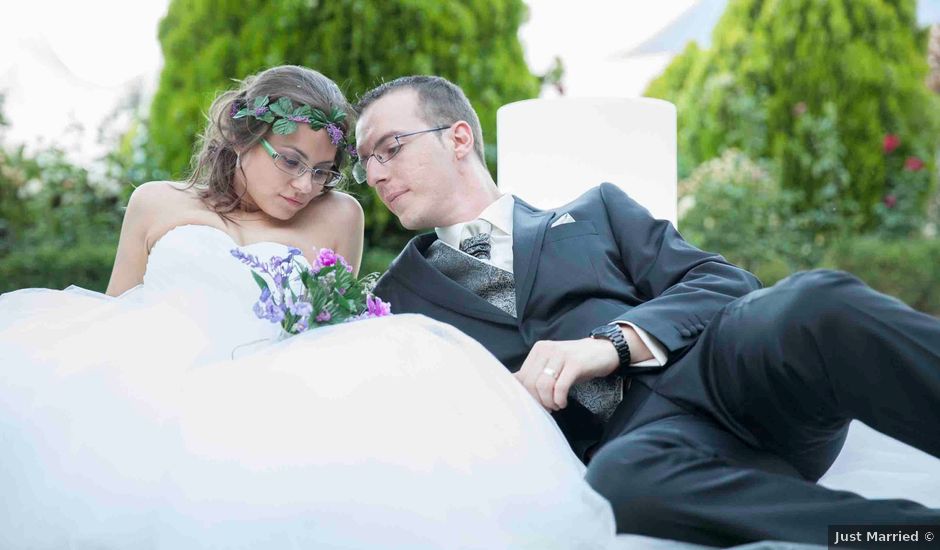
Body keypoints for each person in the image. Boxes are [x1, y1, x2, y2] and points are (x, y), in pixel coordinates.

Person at [0, 66, 619, 548]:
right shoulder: (156, 203)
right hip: (150, 385)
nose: (303, 186)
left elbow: (333, 327)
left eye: (323, 172)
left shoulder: (337, 216)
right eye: (290, 161)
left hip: (273, 401)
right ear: (242, 136)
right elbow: (115, 309)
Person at [354, 74, 940, 547]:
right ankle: (909, 534)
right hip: (644, 445)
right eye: (364, 162)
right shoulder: (393, 303)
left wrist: (611, 342)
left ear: (458, 138)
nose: (376, 174)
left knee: (812, 303)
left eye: (390, 147)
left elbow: (723, 280)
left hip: (721, 369)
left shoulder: (597, 209)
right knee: (619, 487)